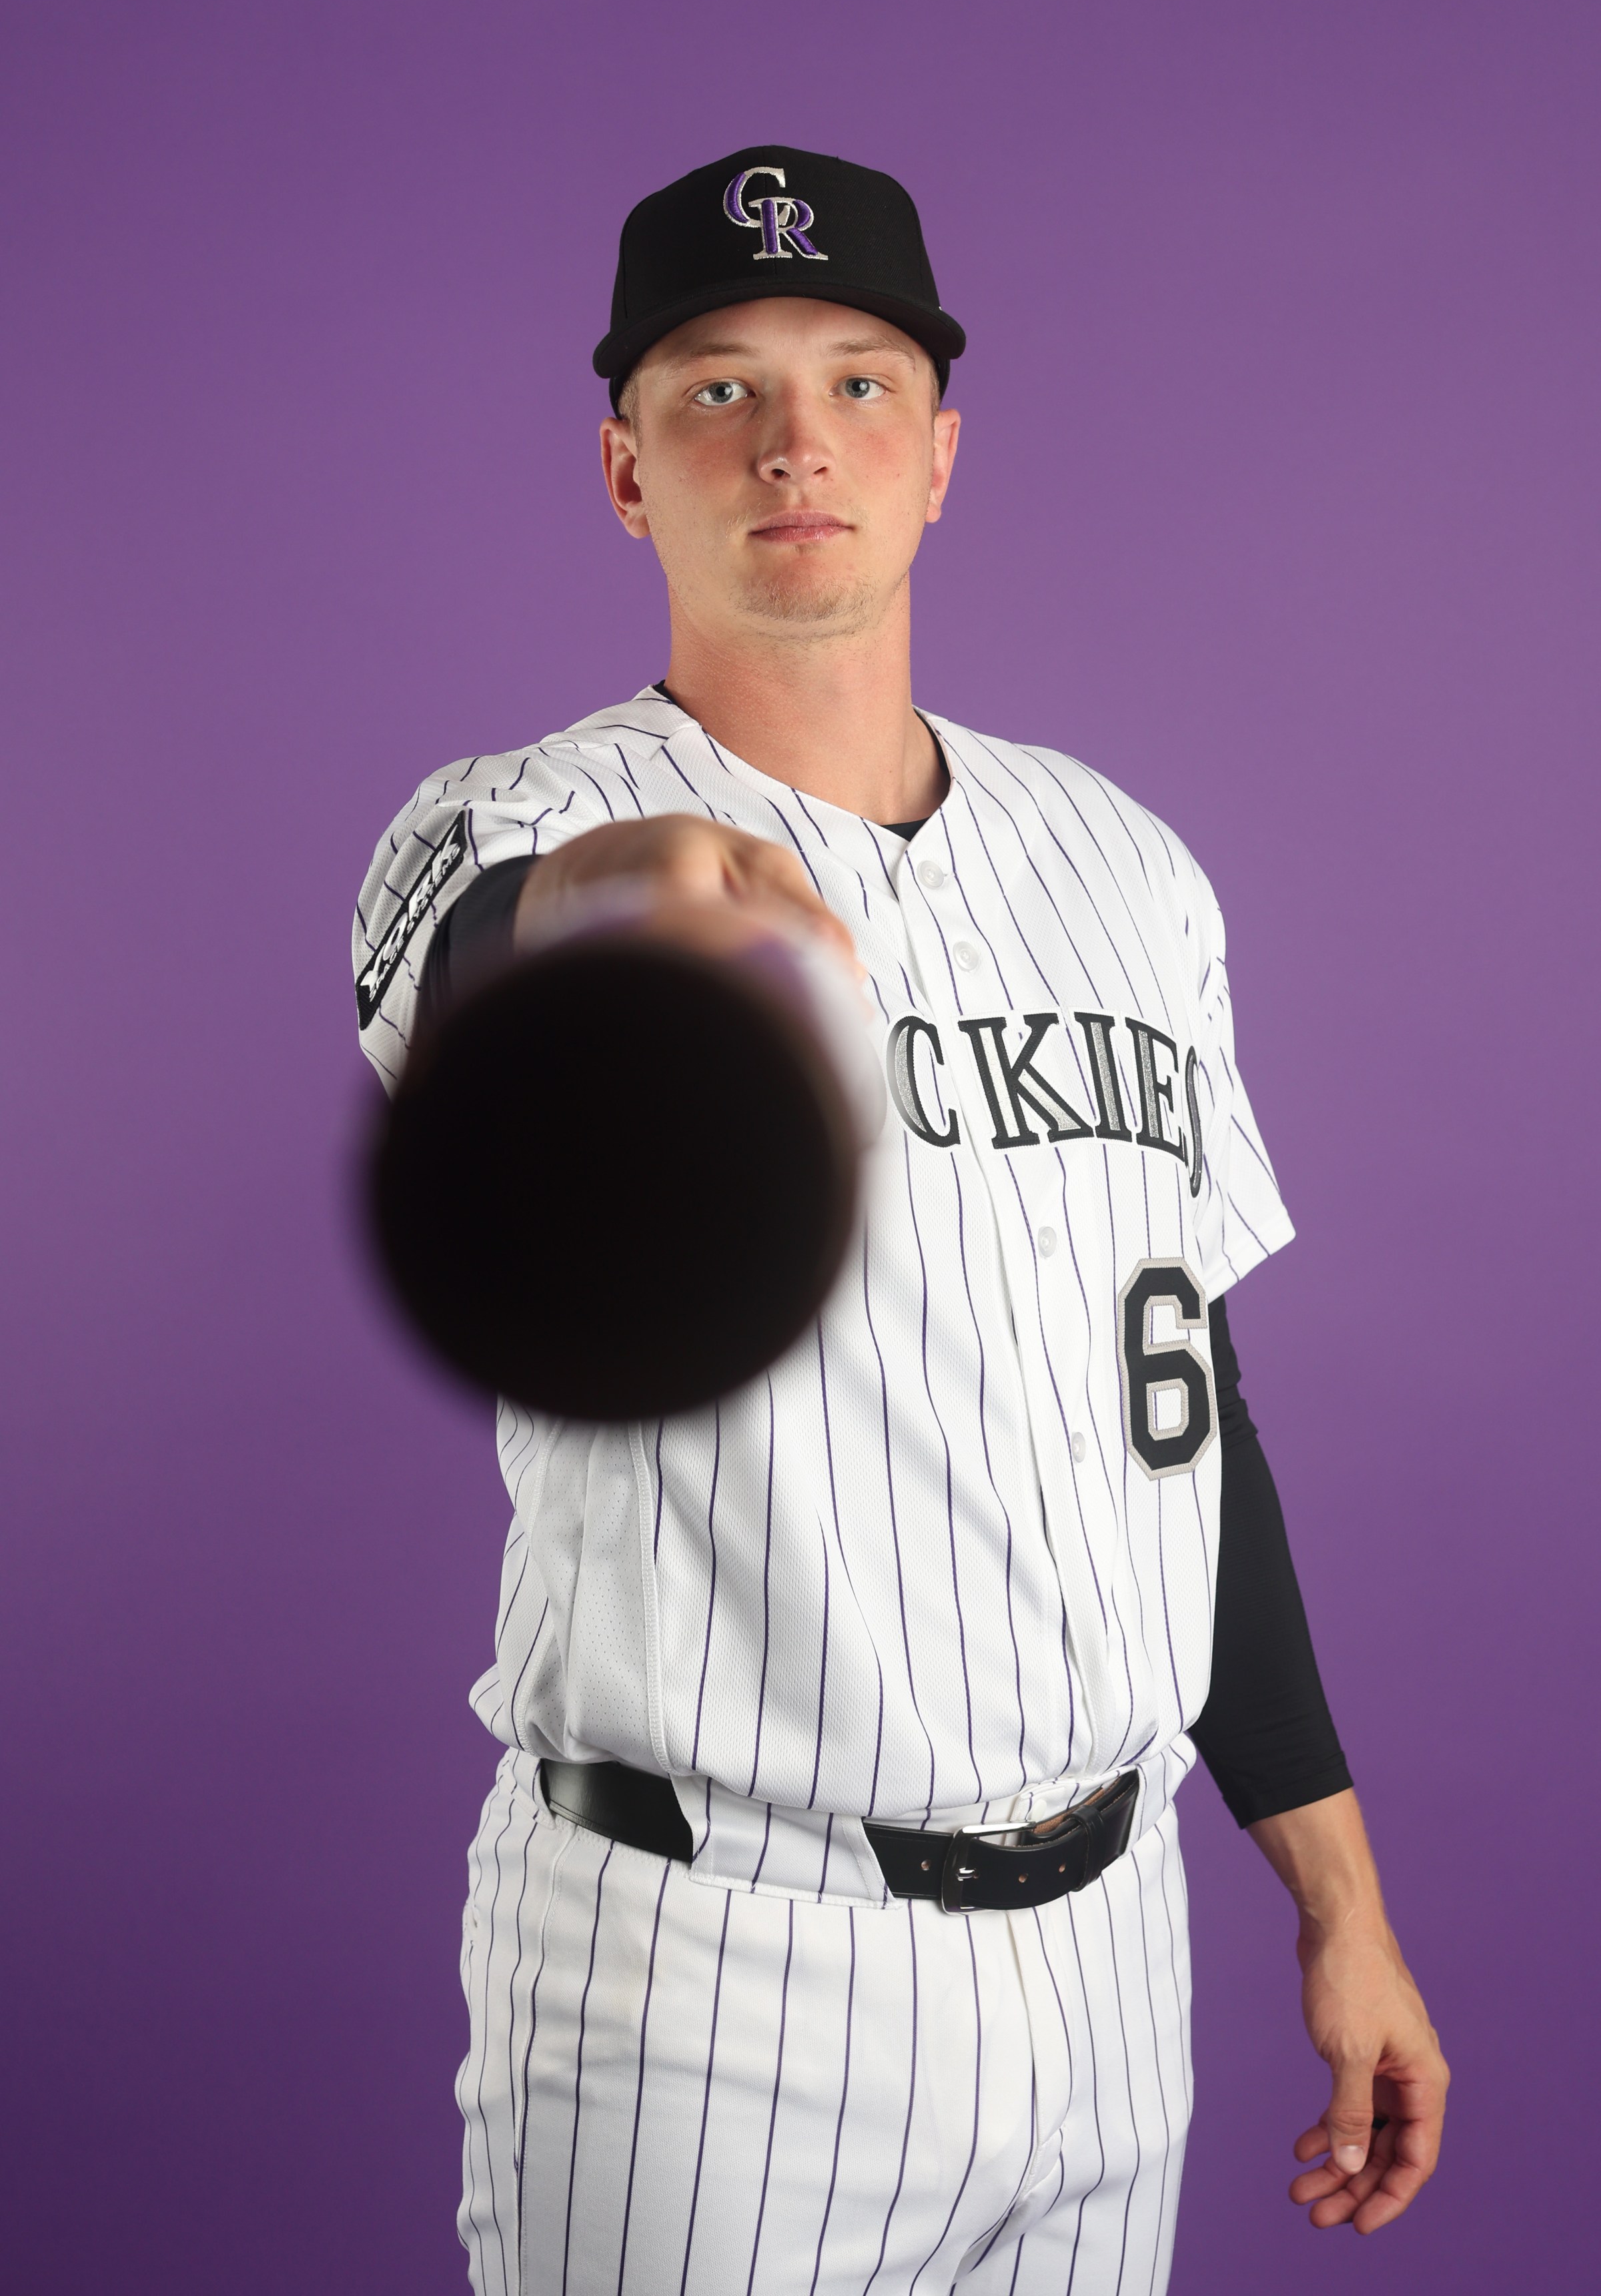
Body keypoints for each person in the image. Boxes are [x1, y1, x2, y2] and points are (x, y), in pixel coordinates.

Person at [354, 146, 1447, 2295]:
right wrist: (612, 896)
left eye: (859, 383)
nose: (796, 440)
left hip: (1113, 1959)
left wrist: (1340, 1897)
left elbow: (1185, 1409)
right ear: (625, 470)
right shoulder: (513, 823)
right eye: (719, 389)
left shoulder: (1126, 865)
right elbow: (473, 964)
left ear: (941, 456)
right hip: (708, 1966)